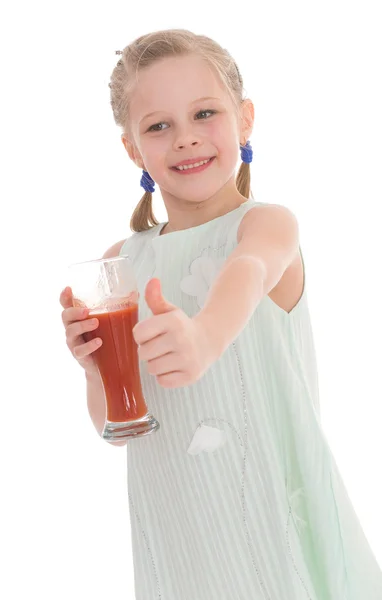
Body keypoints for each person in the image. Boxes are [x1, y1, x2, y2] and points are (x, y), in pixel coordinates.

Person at [60, 29, 382, 600]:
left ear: (245, 119)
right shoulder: (122, 264)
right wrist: (94, 369)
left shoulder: (265, 225)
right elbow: (115, 430)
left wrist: (204, 338)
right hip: (178, 532)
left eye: (204, 114)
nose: (185, 139)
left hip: (269, 524)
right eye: (158, 126)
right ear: (133, 149)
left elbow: (249, 271)